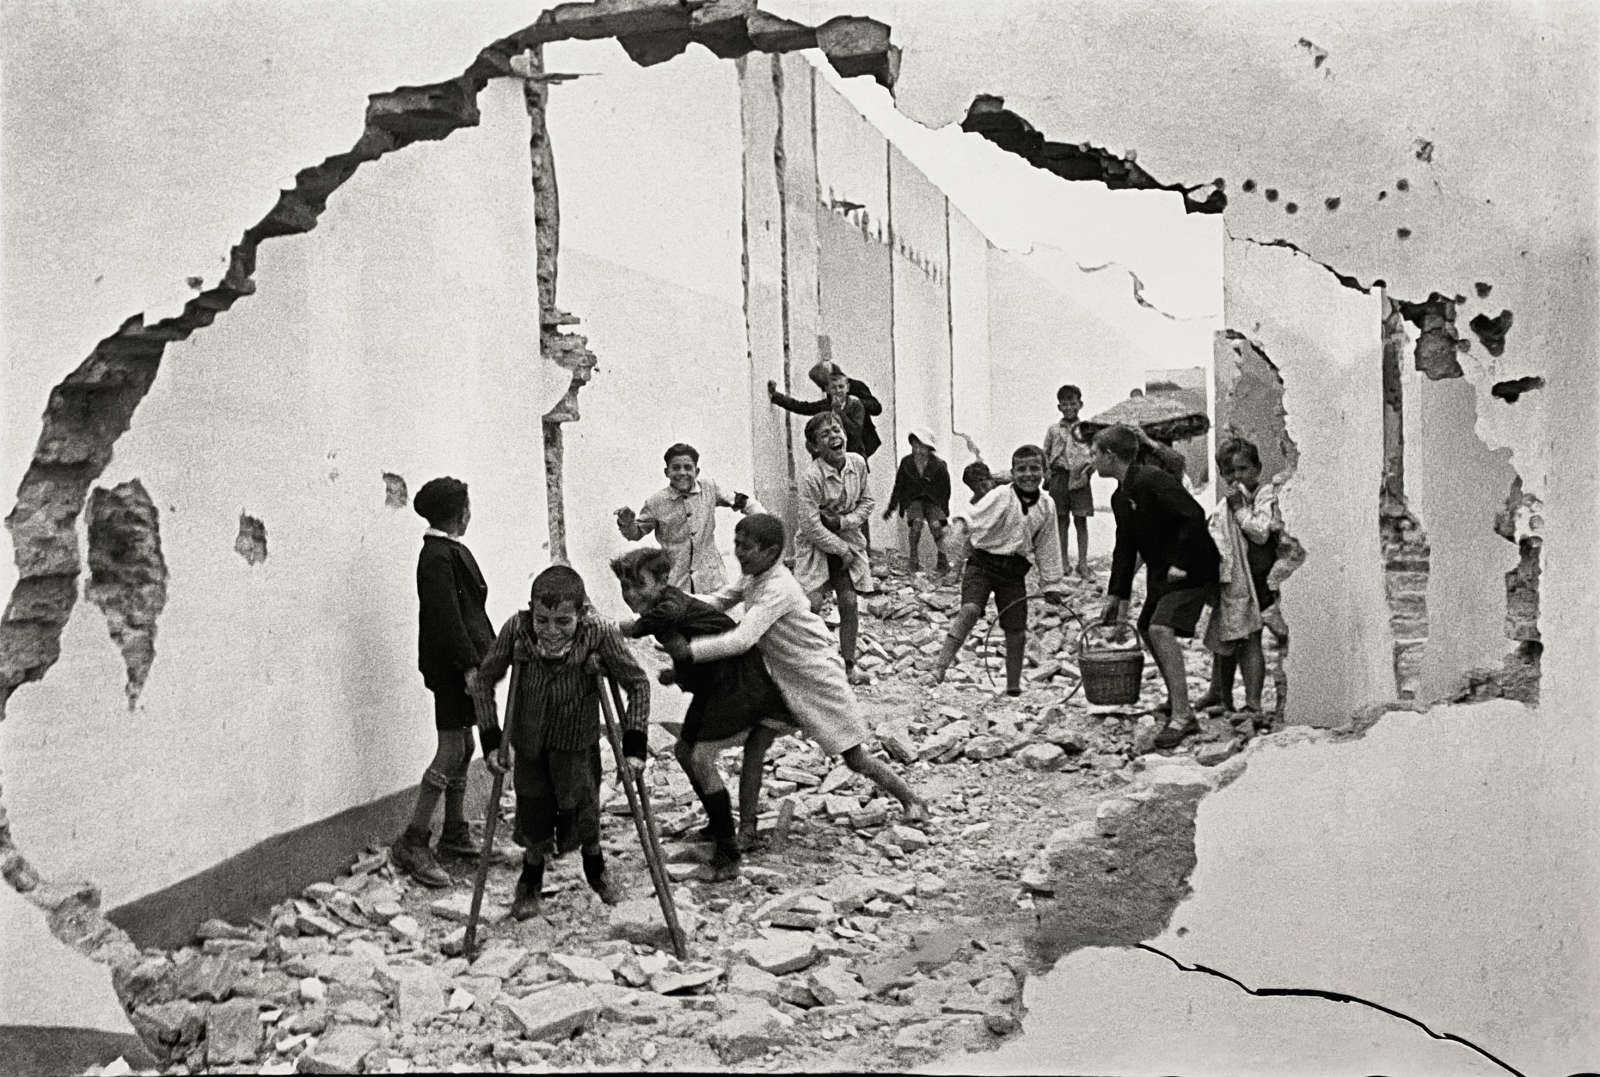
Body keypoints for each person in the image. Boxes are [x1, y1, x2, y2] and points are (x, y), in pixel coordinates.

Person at [666, 514, 930, 824]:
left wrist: (689, 653)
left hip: (817, 678)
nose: (739, 553)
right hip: (780, 680)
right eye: (737, 544)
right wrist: (668, 599)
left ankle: (912, 800)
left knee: (855, 758)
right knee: (755, 748)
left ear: (771, 552)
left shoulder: (779, 587)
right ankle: (747, 829)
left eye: (747, 547)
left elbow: (741, 639)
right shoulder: (753, 577)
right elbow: (717, 601)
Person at [473, 566, 650, 920]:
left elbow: (638, 684)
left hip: (576, 741)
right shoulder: (518, 630)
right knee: (532, 809)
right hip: (530, 741)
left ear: (581, 614)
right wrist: (491, 741)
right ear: (531, 611)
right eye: (542, 620)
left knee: (583, 807)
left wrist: (634, 747)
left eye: (563, 622)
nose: (551, 631)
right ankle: (530, 880)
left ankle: (595, 869)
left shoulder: (598, 632)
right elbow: (483, 680)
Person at [610, 548, 794, 875]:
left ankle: (728, 851)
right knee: (684, 751)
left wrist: (615, 628)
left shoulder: (669, 605)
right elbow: (688, 647)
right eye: (625, 586)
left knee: (701, 758)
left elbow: (659, 621)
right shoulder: (664, 609)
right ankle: (716, 825)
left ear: (663, 581)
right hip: (715, 684)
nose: (631, 594)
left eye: (639, 585)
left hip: (737, 683)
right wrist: (677, 675)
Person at [392, 477, 497, 889]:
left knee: (466, 746)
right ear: (459, 514)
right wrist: (469, 667)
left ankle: (454, 832)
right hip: (453, 667)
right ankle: (413, 841)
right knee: (452, 748)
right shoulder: (436, 556)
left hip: (467, 664)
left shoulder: (449, 550)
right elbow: (447, 618)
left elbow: (470, 612)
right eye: (468, 507)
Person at [1093, 424, 1221, 748]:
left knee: (1161, 629)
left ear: (1110, 455)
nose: (1091, 461)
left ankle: (1183, 716)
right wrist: (1115, 595)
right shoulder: (1121, 496)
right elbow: (1125, 548)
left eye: (1095, 454)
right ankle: (1176, 700)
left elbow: (1193, 515)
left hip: (1191, 568)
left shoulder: (1152, 479)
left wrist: (1181, 562)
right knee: (1146, 628)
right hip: (1163, 573)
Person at [932, 445, 1069, 696]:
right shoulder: (1001, 496)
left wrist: (1051, 584)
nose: (1028, 475)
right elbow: (973, 515)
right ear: (1013, 473)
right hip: (983, 563)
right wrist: (956, 528)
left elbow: (1047, 545)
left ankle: (1013, 685)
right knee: (970, 610)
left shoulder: (1047, 505)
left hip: (1013, 571)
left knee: (1016, 629)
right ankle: (939, 667)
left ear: (1045, 472)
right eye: (1022, 469)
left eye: (1035, 468)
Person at [1197, 438, 1289, 726]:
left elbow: (1260, 533)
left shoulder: (1264, 495)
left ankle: (1253, 704)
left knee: (1249, 639)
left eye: (1243, 469)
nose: (1236, 477)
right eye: (1229, 472)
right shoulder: (1229, 501)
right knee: (1226, 634)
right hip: (1234, 580)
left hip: (1256, 582)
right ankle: (1221, 696)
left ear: (1257, 469)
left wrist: (1239, 509)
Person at [614, 442, 763, 594]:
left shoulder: (709, 488)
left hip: (712, 579)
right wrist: (626, 522)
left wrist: (766, 525)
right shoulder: (655, 502)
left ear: (696, 471)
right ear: (667, 472)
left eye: (687, 467)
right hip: (676, 581)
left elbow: (743, 502)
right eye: (676, 468)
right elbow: (635, 534)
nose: (682, 473)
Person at [795, 412, 875, 685]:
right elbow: (810, 526)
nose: (834, 436)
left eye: (837, 430)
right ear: (814, 446)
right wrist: (841, 549)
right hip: (816, 546)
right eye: (825, 434)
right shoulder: (811, 477)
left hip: (847, 539)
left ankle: (849, 666)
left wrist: (843, 522)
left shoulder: (857, 464)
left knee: (849, 603)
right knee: (811, 606)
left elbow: (867, 502)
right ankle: (804, 667)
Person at [766, 362, 884, 463]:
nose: (835, 391)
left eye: (840, 387)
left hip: (863, 440)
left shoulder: (856, 388)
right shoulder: (829, 402)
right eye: (829, 387)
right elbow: (804, 407)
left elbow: (876, 408)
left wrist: (851, 403)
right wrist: (777, 397)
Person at [883, 426, 952, 575]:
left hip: (933, 500)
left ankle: (942, 560)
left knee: (936, 526)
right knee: (916, 524)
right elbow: (899, 486)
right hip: (913, 499)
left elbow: (945, 490)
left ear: (929, 448)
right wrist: (892, 507)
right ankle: (913, 559)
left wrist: (944, 511)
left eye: (922, 447)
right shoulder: (906, 463)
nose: (918, 450)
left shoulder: (939, 465)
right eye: (915, 446)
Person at [1043, 385, 1095, 580]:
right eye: (1064, 404)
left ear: (1080, 404)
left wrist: (1088, 473)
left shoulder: (1087, 429)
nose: (1069, 407)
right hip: (1059, 477)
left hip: (1080, 477)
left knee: (1081, 520)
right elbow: (1045, 453)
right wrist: (1047, 475)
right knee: (1061, 520)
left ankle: (1083, 563)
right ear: (1059, 407)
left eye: (1072, 403)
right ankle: (1063, 562)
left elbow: (1094, 453)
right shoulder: (1053, 430)